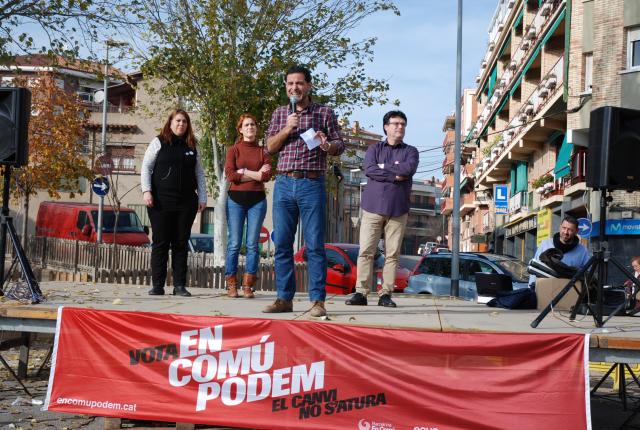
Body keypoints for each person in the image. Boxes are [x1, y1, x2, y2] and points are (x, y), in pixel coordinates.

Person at [263, 65, 345, 317]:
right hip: (284, 183)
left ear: (308, 85)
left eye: (299, 83)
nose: (294, 88)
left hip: (312, 183)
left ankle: (317, 301)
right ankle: (283, 299)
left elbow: (340, 145)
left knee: (314, 245)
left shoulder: (324, 112)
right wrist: (287, 128)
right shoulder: (280, 113)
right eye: (290, 83)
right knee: (282, 244)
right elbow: (269, 147)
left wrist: (327, 145)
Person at [345, 110, 418, 308]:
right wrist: (394, 175)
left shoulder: (411, 151)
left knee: (392, 254)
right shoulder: (373, 149)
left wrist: (383, 168)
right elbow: (370, 169)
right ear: (386, 127)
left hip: (398, 209)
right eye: (396, 123)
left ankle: (385, 294)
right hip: (372, 208)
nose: (400, 127)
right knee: (366, 251)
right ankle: (361, 293)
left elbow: (408, 169)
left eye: (403, 124)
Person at [141, 109, 207, 297]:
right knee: (160, 242)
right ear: (170, 123)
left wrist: (203, 197)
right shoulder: (158, 142)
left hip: (186, 202)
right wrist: (146, 191)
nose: (181, 124)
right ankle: (157, 285)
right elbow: (146, 167)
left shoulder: (193, 146)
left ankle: (179, 285)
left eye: (184, 121)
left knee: (180, 243)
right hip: (160, 201)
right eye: (178, 121)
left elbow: (199, 173)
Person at [224, 113, 272, 298]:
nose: (250, 127)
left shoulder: (263, 151)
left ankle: (248, 285)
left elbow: (266, 176)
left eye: (253, 124)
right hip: (235, 200)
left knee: (252, 244)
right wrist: (255, 174)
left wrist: (244, 171)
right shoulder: (233, 150)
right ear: (240, 129)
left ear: (256, 128)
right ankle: (231, 284)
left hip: (257, 201)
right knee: (234, 243)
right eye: (246, 125)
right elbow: (230, 175)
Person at [528, 215, 590, 289]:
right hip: (545, 290)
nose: (566, 232)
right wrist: (531, 289)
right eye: (564, 228)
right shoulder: (545, 245)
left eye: (570, 230)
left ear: (576, 231)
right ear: (560, 227)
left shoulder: (582, 251)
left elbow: (587, 275)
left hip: (570, 292)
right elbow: (535, 268)